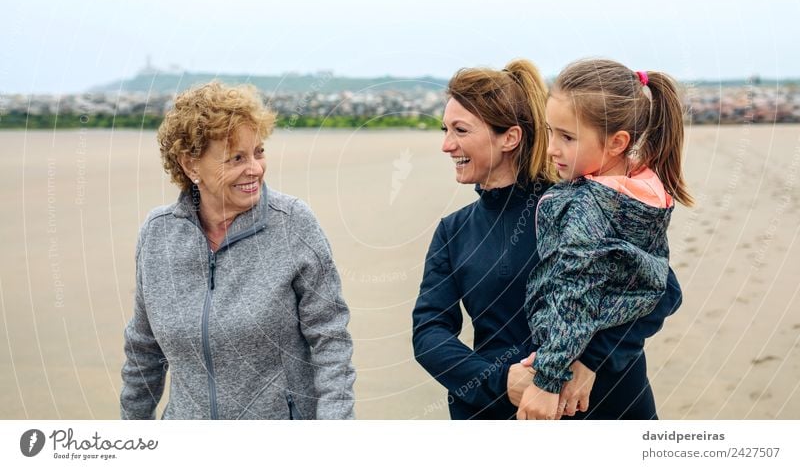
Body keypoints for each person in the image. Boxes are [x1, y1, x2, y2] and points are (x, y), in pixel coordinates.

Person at [412, 59, 683, 420]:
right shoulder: (454, 230)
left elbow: (663, 290)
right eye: (445, 130)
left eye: (460, 131)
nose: (447, 145)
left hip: (603, 407)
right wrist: (500, 381)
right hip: (504, 411)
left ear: (509, 137)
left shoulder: (575, 205)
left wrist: (589, 361)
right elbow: (430, 332)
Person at [120, 82, 355, 419]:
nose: (255, 169)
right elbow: (143, 351)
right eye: (236, 158)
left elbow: (331, 341)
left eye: (258, 152)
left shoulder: (293, 224)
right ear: (190, 165)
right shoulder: (158, 234)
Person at [517, 59, 692, 420]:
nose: (551, 148)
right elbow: (662, 286)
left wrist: (547, 379)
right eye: (551, 132)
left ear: (617, 142)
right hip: (627, 382)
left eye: (567, 137)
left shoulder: (587, 207)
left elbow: (573, 295)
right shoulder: (645, 193)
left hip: (575, 391)